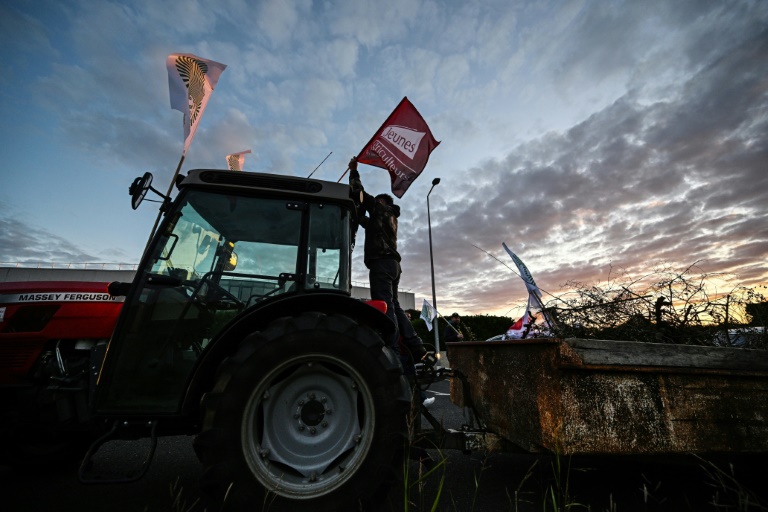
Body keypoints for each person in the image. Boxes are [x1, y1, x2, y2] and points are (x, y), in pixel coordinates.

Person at [348, 156, 427, 361]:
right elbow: (365, 220)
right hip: (394, 264)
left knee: (386, 305)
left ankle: (391, 347)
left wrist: (354, 170)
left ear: (382, 202)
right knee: (395, 304)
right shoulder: (388, 218)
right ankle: (415, 345)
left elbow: (359, 194)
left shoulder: (380, 209)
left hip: (381, 263)